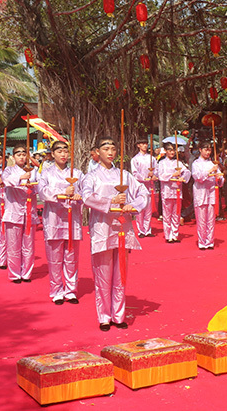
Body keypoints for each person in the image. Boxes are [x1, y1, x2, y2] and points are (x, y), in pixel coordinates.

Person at [81, 136, 148, 330]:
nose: (110, 152)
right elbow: (86, 197)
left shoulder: (124, 175)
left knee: (120, 274)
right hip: (102, 228)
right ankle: (104, 315)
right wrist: (110, 202)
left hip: (122, 228)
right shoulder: (92, 177)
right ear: (97, 152)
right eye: (106, 148)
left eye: (113, 148)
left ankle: (119, 314)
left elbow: (143, 192)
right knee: (103, 274)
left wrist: (131, 206)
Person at [38, 140, 83, 304]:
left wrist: (78, 196)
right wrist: (61, 192)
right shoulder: (46, 173)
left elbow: (86, 191)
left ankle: (71, 290)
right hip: (54, 218)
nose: (63, 154)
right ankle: (56, 290)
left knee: (71, 255)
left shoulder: (77, 173)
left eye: (65, 151)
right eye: (59, 151)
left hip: (72, 219)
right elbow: (42, 192)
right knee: (55, 256)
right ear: (53, 154)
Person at [2, 145, 38, 283]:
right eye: (19, 154)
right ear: (13, 157)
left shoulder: (33, 171)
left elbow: (39, 187)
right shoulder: (8, 171)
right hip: (14, 211)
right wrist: (22, 177)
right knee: (13, 245)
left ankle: (27, 272)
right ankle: (15, 273)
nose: (22, 157)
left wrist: (32, 186)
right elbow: (7, 182)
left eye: (24, 154)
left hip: (29, 212)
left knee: (28, 245)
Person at [191, 141, 224, 250]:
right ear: (200, 150)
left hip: (211, 193)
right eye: (206, 149)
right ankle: (202, 241)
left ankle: (210, 241)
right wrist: (210, 171)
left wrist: (219, 177)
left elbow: (219, 179)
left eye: (209, 150)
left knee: (211, 218)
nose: (208, 152)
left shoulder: (212, 163)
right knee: (201, 218)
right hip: (201, 192)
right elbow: (197, 177)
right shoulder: (196, 163)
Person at [157, 141, 191, 243]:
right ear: (166, 151)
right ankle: (168, 235)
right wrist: (173, 174)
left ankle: (175, 234)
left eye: (174, 150)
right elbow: (161, 176)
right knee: (167, 214)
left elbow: (187, 172)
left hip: (177, 191)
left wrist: (182, 177)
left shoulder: (178, 163)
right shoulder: (162, 163)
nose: (172, 152)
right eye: (170, 150)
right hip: (167, 191)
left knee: (176, 213)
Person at [130, 138, 157, 237]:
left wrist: (153, 175)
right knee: (140, 209)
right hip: (140, 186)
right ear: (138, 145)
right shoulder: (135, 159)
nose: (145, 146)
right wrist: (144, 178)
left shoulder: (152, 158)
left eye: (146, 144)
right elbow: (135, 173)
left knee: (148, 209)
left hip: (149, 186)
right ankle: (141, 230)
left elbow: (156, 170)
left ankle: (147, 229)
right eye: (142, 144)